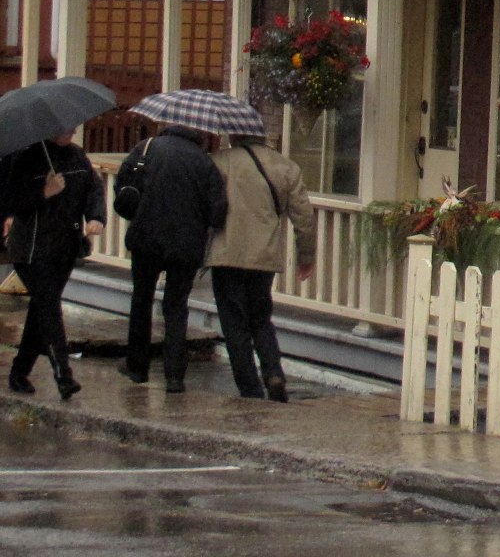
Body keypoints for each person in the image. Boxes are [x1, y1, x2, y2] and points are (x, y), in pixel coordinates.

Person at [116, 124, 227, 392]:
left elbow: (122, 187)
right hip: (186, 246)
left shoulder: (146, 148)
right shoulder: (204, 162)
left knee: (141, 299)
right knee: (176, 306)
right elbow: (218, 212)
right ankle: (175, 375)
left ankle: (137, 367)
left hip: (146, 239)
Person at [206, 133, 312, 401]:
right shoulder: (287, 167)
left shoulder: (219, 161)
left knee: (234, 323)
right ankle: (273, 372)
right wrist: (306, 256)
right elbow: (304, 217)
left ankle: (249, 387)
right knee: (260, 317)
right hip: (263, 255)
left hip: (226, 253)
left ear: (235, 135)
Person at [2, 130, 105, 399]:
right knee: (49, 308)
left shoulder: (77, 156)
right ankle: (63, 375)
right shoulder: (25, 158)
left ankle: (19, 373)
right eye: (65, 128)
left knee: (41, 311)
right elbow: (10, 201)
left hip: (65, 247)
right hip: (31, 249)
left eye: (73, 127)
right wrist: (43, 192)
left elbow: (93, 188)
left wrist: (96, 217)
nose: (71, 131)